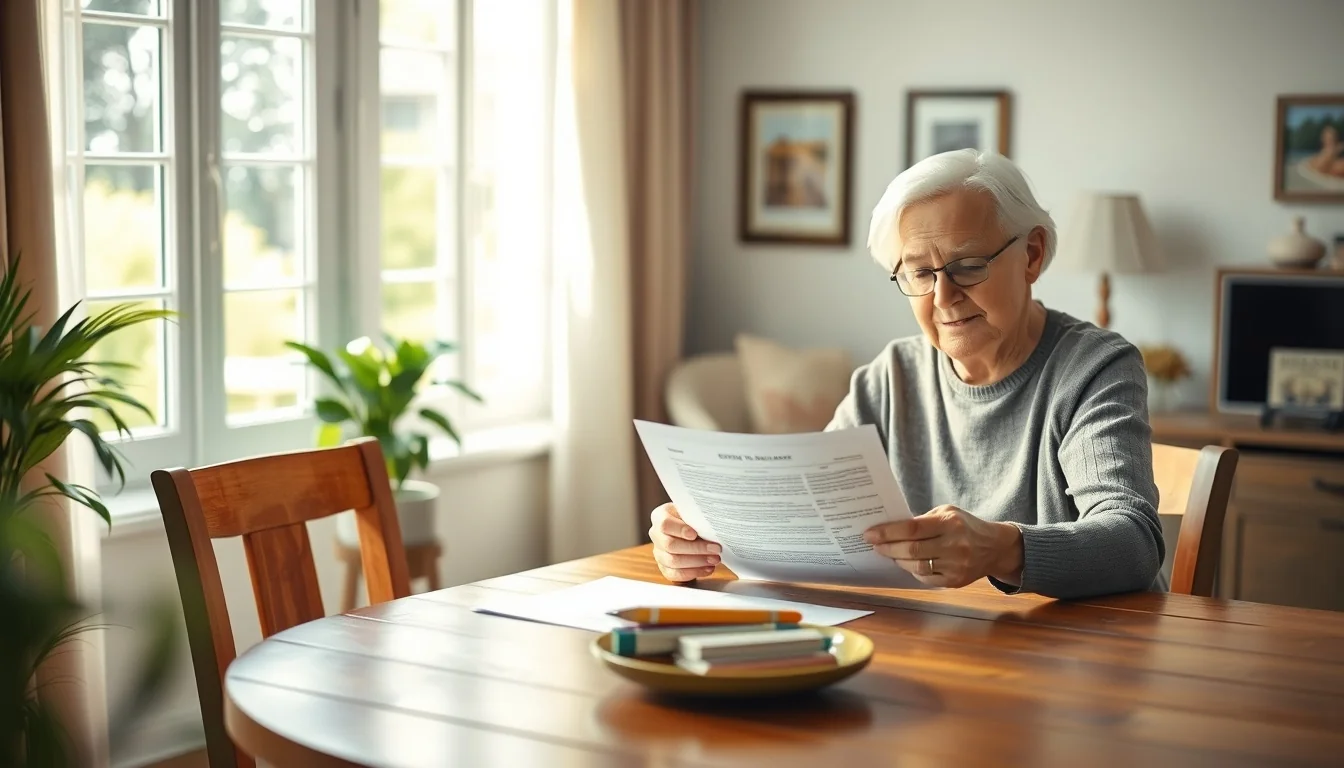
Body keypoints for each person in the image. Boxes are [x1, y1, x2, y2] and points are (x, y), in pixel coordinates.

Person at [649, 148, 1166, 600]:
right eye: (920, 272)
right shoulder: (889, 377)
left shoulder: (1096, 367)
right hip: (941, 654)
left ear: (1030, 255)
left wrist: (1000, 548)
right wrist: (697, 538)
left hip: (1079, 663)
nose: (943, 298)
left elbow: (1133, 541)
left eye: (967, 265)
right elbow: (811, 519)